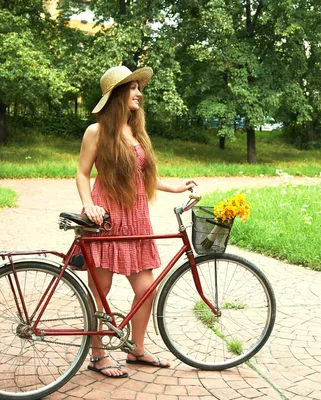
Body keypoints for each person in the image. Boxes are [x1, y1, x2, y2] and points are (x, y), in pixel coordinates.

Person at [76, 65, 197, 378]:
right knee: (100, 289)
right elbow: (82, 173)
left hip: (137, 219)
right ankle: (98, 353)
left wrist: (176, 186)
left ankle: (136, 349)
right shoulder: (97, 131)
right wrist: (88, 205)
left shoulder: (136, 131)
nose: (139, 93)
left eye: (138, 88)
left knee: (146, 288)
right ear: (117, 95)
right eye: (132, 89)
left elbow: (141, 176)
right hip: (106, 217)